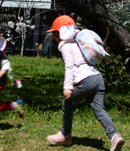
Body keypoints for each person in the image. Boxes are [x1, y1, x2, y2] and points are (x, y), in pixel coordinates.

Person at [45, 15, 124, 151]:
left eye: (54, 34)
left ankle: (65, 136)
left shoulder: (66, 47)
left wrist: (68, 87)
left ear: (59, 34)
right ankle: (115, 137)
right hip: (97, 78)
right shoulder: (80, 41)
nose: (54, 38)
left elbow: (69, 67)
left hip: (85, 81)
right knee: (99, 110)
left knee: (67, 103)